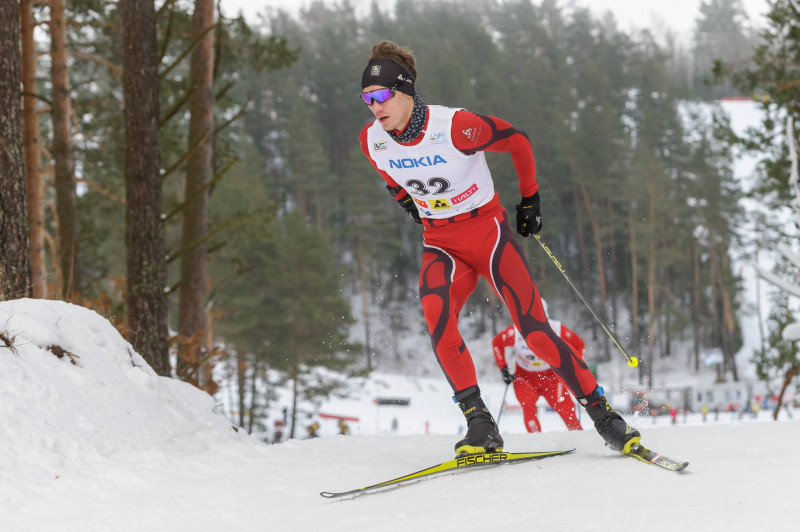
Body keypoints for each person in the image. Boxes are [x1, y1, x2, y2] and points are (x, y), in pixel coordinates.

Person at [358, 40, 640, 456]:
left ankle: (604, 415)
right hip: (440, 243)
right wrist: (407, 204)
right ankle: (480, 425)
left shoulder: (454, 127)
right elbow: (389, 177)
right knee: (438, 321)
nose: (374, 106)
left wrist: (530, 200)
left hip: (487, 235)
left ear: (406, 91)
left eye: (381, 95)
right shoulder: (373, 140)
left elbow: (517, 140)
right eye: (366, 99)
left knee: (534, 330)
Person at [492, 300, 583, 433]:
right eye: (530, 319)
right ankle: (536, 440)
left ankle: (579, 436)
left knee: (566, 408)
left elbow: (579, 344)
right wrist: (503, 368)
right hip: (525, 377)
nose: (535, 324)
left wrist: (575, 367)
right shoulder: (516, 331)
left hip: (551, 375)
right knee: (528, 407)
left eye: (541, 318)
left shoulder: (556, 328)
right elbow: (497, 343)